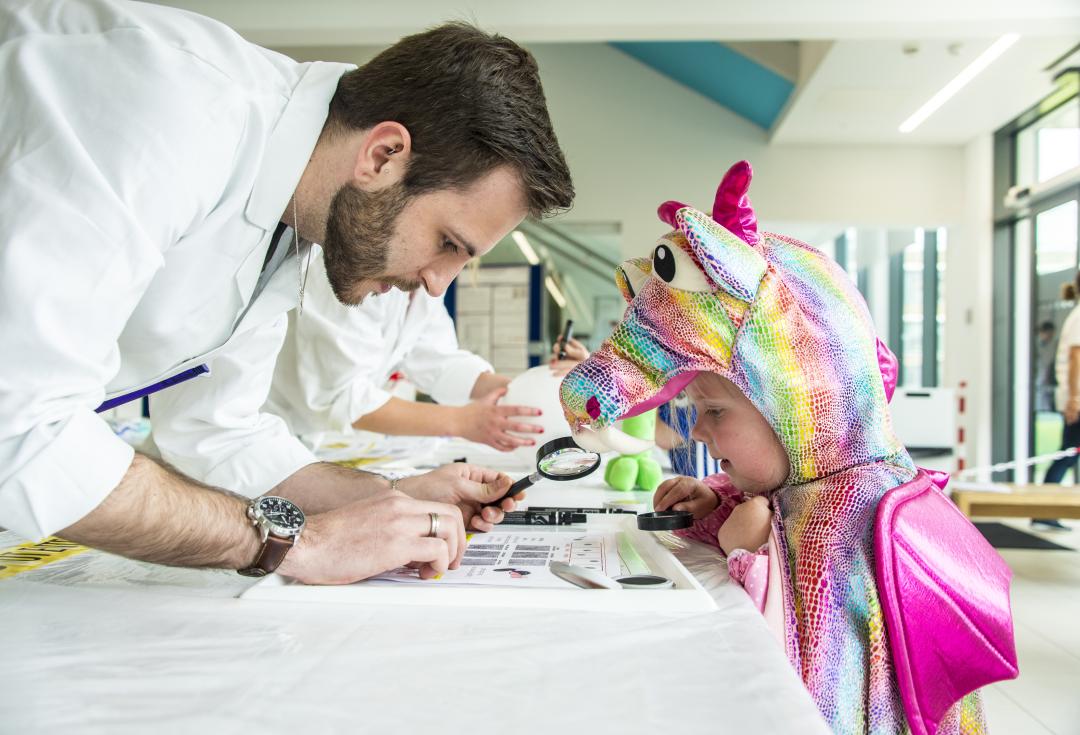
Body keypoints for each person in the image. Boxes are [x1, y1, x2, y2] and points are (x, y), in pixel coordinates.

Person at [0, 0, 573, 583]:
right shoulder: (162, 102)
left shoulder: (299, 214)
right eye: (447, 243)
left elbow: (217, 433)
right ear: (383, 155)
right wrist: (296, 543)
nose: (435, 284)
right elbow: (17, 428)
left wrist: (390, 497)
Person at [559, 162, 999, 733]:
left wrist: (749, 559)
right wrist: (715, 503)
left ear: (795, 402)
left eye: (713, 411)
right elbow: (774, 502)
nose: (696, 431)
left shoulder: (843, 527)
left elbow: (797, 698)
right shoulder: (825, 479)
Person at [267, 262, 545, 452]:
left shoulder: (421, 286)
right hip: (264, 431)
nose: (440, 283)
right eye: (451, 243)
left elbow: (437, 361)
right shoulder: (356, 266)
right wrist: (461, 421)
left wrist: (528, 390)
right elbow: (343, 396)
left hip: (307, 441)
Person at [1037, 277, 1080, 531]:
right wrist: (1074, 399)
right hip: (1077, 399)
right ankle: (1043, 508)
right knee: (1067, 453)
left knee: (1068, 453)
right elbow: (1076, 358)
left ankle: (1043, 509)